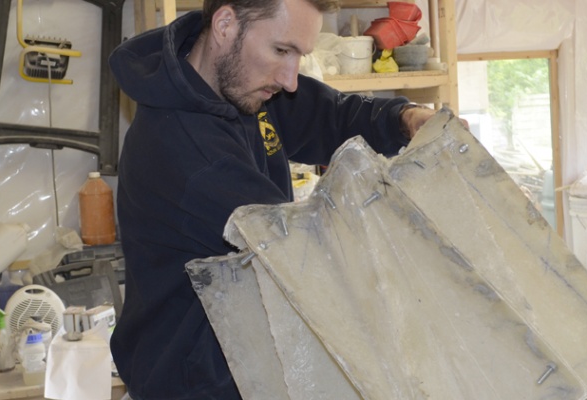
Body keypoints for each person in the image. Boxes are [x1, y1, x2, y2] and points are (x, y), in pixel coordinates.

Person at [107, 0, 436, 396]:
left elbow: (329, 114)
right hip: (197, 382)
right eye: (281, 50)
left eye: (299, 55)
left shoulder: (239, 85)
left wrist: (403, 118)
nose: (290, 79)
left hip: (247, 364)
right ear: (225, 25)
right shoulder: (186, 150)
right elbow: (307, 253)